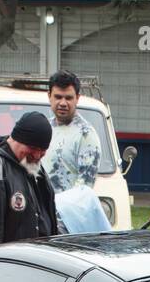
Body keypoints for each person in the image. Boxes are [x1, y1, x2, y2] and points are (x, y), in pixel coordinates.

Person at [0, 111, 58, 254]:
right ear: (16, 139)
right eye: (32, 148)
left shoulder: (31, 165)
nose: (37, 155)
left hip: (37, 262)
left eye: (42, 151)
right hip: (11, 266)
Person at [41, 70, 108, 235]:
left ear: (77, 98)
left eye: (68, 98)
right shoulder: (44, 129)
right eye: (58, 97)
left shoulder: (86, 134)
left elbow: (83, 189)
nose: (63, 103)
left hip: (67, 224)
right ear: (49, 96)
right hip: (42, 216)